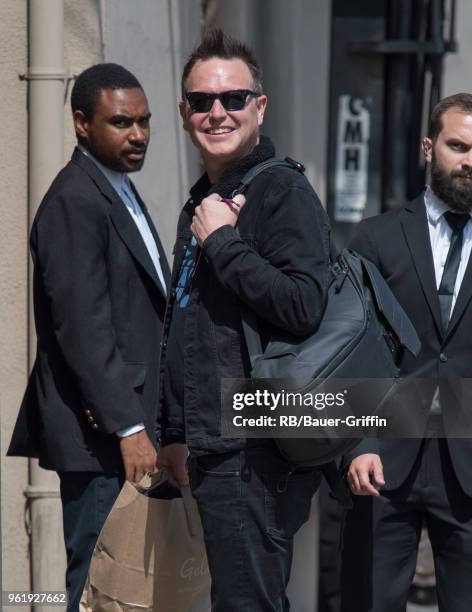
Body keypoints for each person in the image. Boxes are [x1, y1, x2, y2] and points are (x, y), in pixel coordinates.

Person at [156, 29, 330, 611]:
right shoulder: (206, 198)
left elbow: (304, 304)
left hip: (254, 449)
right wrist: (176, 431)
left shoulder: (280, 190)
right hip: (214, 447)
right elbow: (185, 326)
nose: (217, 112)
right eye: (202, 101)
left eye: (233, 98)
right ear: (184, 112)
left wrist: (225, 245)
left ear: (260, 106)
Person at [7, 63, 169, 611]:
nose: (139, 134)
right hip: (102, 440)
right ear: (82, 124)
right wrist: (129, 427)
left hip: (125, 437)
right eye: (122, 123)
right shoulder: (76, 199)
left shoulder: (114, 187)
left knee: (127, 588)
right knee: (97, 588)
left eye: (145, 121)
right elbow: (83, 328)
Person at [341, 93, 472, 612]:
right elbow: (353, 347)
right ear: (428, 147)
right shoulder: (376, 237)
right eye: (458, 145)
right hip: (383, 462)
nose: (470, 161)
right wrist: (358, 442)